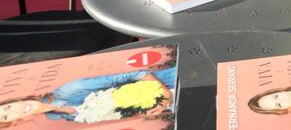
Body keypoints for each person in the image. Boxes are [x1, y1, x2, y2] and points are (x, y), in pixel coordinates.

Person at [0, 67, 176, 125]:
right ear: (16, 121)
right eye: (7, 116)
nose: (15, 110)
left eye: (7, 107)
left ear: (16, 101)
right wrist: (146, 112)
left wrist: (164, 94)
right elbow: (118, 110)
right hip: (167, 106)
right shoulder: (55, 116)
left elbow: (137, 74)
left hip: (172, 84)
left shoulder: (71, 90)